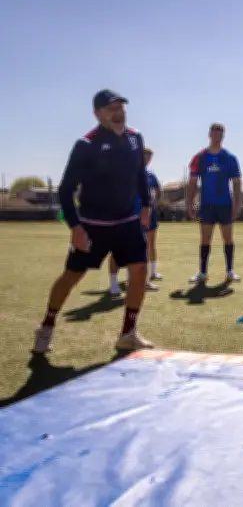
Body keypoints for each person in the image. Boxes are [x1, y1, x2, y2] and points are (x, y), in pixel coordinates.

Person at [33, 90, 155, 354]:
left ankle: (128, 333)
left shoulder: (135, 138)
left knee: (140, 271)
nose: (118, 112)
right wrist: (75, 227)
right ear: (97, 114)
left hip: (127, 221)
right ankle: (46, 326)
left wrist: (146, 205)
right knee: (71, 276)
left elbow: (139, 176)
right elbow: (65, 190)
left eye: (121, 106)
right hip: (93, 225)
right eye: (111, 108)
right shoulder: (86, 145)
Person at [186, 123, 242, 283]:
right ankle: (202, 273)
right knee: (205, 239)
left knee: (228, 238)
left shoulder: (230, 158)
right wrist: (190, 203)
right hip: (207, 205)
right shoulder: (200, 157)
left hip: (225, 204)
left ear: (223, 136)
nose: (217, 137)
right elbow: (192, 182)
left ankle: (230, 271)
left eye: (220, 134)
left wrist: (236, 204)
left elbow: (237, 182)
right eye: (214, 134)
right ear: (209, 134)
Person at [108, 147, 162, 295]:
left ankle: (140, 281)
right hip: (128, 217)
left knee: (141, 249)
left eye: (149, 157)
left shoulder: (150, 176)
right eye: (144, 156)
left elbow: (157, 192)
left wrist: (152, 206)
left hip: (146, 217)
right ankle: (113, 284)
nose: (146, 159)